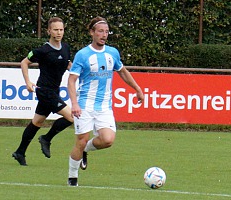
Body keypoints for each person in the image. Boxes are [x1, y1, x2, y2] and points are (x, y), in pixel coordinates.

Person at [67, 16, 144, 186]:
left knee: (108, 140)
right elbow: (71, 81)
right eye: (100, 31)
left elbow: (122, 71)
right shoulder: (83, 54)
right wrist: (74, 103)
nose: (104, 35)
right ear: (92, 33)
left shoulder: (112, 53)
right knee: (80, 140)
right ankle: (72, 177)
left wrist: (137, 89)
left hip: (104, 107)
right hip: (85, 105)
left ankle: (85, 150)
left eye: (106, 32)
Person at [12, 17, 73, 166]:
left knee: (37, 122)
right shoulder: (43, 50)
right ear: (49, 31)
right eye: (55, 29)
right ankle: (47, 138)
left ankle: (20, 152)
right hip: (44, 91)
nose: (59, 32)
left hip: (54, 91)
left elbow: (67, 64)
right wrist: (27, 82)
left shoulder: (66, 48)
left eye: (61, 29)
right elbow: (24, 62)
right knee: (72, 117)